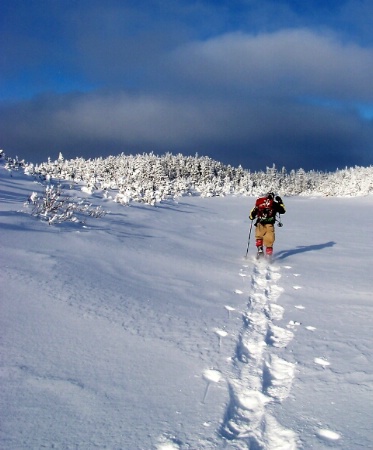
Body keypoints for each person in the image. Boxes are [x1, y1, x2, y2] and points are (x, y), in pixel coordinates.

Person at [249, 192, 286, 258]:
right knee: (269, 241)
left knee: (259, 236)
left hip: (260, 223)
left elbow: (251, 216)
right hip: (270, 225)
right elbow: (283, 211)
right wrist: (280, 201)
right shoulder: (274, 204)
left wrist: (252, 216)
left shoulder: (259, 203)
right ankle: (268, 256)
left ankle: (260, 250)